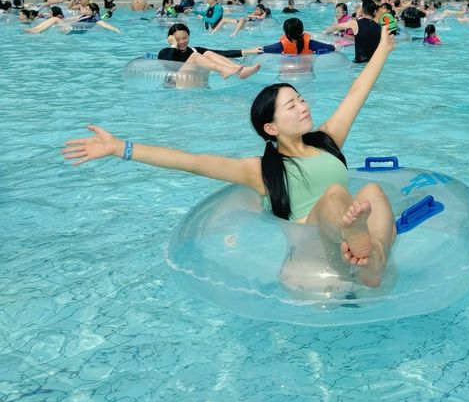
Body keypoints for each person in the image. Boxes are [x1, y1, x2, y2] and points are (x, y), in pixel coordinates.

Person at [63, 23, 397, 288]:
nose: (303, 106)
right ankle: (358, 239)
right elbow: (192, 161)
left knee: (372, 192)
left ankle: (373, 260)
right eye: (291, 106)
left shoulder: (327, 139)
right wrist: (120, 147)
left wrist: (383, 48)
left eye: (301, 100)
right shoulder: (262, 170)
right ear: (270, 127)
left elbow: (357, 92)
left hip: (348, 235)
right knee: (336, 195)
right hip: (312, 246)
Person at [155, 23, 261, 80]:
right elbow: (169, 64)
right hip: (175, 86)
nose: (182, 42)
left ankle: (241, 72)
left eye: (185, 38)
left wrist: (250, 51)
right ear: (171, 38)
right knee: (195, 56)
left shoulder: (193, 50)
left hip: (194, 84)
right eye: (178, 39)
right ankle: (224, 70)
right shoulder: (165, 52)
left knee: (208, 53)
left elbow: (221, 53)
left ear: (189, 36)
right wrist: (173, 45)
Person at [238, 17, 337, 56]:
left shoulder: (281, 45)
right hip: (306, 73)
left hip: (286, 74)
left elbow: (263, 49)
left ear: (287, 33)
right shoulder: (310, 43)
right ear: (302, 30)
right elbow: (331, 48)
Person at [340, 0, 381, 64]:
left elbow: (335, 28)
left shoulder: (355, 23)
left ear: (362, 10)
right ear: (374, 12)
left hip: (358, 63)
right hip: (374, 63)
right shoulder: (379, 27)